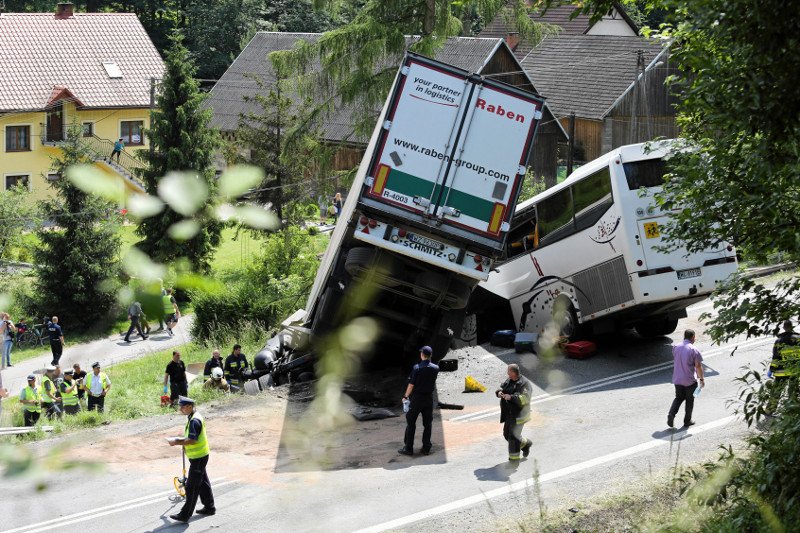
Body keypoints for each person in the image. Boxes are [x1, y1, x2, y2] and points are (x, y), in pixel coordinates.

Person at [168, 396, 216, 522]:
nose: (180, 409)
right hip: (199, 456)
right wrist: (183, 443)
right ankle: (209, 507)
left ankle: (185, 514)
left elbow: (192, 440)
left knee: (191, 486)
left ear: (190, 407)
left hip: (199, 458)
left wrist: (177, 442)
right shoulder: (193, 416)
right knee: (203, 482)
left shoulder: (195, 420)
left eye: (182, 407)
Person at [398, 345, 440, 456]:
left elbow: (411, 385)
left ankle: (408, 448)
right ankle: (426, 448)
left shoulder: (417, 368)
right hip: (428, 399)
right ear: (430, 355)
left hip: (417, 399)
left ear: (422, 355)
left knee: (411, 423)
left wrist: (406, 396)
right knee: (428, 424)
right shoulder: (436, 368)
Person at [668, 329, 705, 428]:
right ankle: (687, 421)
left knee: (678, 398)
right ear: (692, 337)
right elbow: (698, 366)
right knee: (689, 401)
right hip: (689, 381)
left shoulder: (676, 347)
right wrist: (701, 379)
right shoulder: (694, 349)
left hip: (677, 379)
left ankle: (671, 414)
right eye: (694, 337)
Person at [496, 363, 533, 461]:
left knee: (513, 437)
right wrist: (499, 392)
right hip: (509, 414)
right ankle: (525, 444)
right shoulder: (509, 380)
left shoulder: (524, 384)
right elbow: (503, 388)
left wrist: (511, 397)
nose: (507, 373)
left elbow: (525, 399)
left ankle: (514, 459)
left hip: (519, 415)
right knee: (506, 434)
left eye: (508, 371)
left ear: (513, 372)